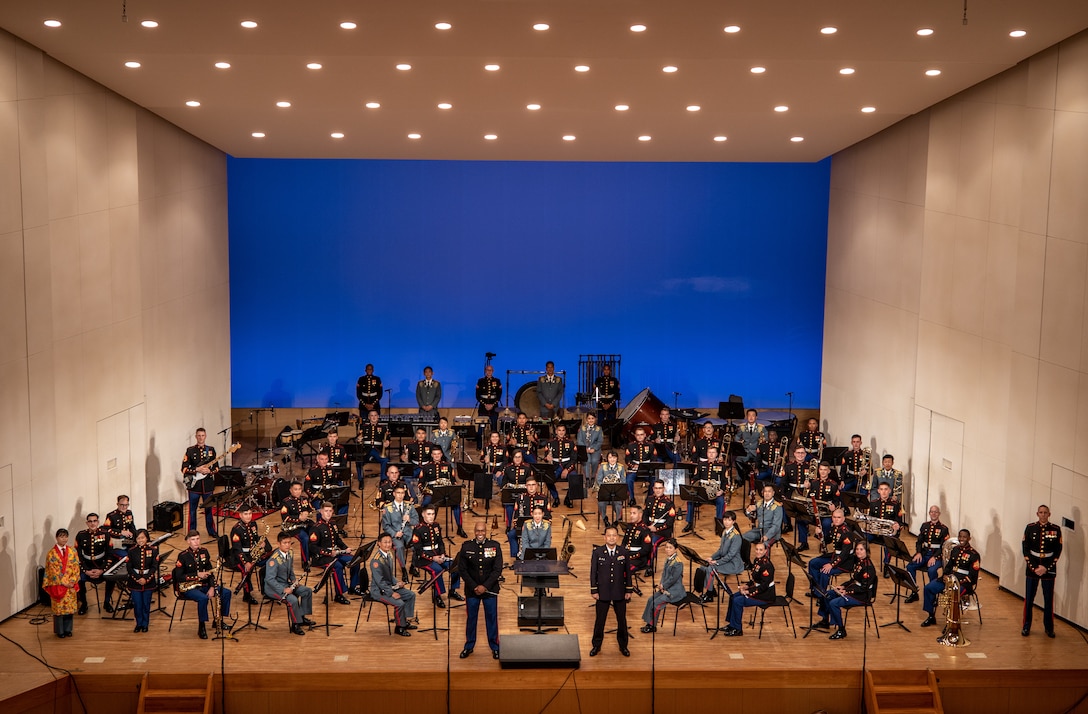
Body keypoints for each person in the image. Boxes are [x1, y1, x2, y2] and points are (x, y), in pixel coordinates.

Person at [173, 530, 232, 639]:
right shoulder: (182, 556)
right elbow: (179, 577)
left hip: (204, 586)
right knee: (203, 599)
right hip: (189, 587)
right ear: (188, 541)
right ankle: (202, 626)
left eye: (198, 539)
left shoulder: (204, 552)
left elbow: (210, 572)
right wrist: (197, 575)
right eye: (193, 540)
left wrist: (212, 587)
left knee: (226, 593)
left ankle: (218, 620)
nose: (196, 542)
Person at [813, 540, 877, 640]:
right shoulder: (860, 562)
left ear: (866, 551)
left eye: (861, 549)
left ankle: (841, 629)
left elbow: (863, 588)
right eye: (857, 549)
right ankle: (825, 620)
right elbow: (853, 580)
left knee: (834, 603)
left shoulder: (869, 568)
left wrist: (846, 592)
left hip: (861, 596)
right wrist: (843, 586)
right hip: (854, 590)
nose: (858, 552)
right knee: (826, 595)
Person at [459, 521, 503, 659]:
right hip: (472, 591)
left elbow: (497, 570)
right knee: (471, 619)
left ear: (486, 531)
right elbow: (462, 570)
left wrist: (485, 586)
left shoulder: (495, 546)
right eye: (477, 531)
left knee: (491, 618)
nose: (480, 534)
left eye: (482, 531)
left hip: (490, 591)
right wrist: (474, 586)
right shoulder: (466, 547)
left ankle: (495, 647)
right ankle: (469, 645)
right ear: (474, 531)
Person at [921, 529, 980, 628]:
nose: (961, 539)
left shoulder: (974, 555)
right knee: (928, 588)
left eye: (964, 537)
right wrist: (945, 575)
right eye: (960, 536)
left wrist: (956, 582)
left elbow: (972, 577)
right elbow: (949, 566)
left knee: (952, 596)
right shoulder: (955, 549)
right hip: (950, 579)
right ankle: (931, 616)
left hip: (963, 583)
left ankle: (950, 623)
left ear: (969, 538)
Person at [590, 525, 632, 656]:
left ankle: (623, 645)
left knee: (622, 620)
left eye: (614, 535)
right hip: (603, 592)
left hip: (619, 591)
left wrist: (629, 590)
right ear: (604, 537)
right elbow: (593, 573)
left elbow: (628, 573)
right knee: (600, 621)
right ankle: (596, 646)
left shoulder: (624, 552)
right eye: (609, 535)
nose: (612, 538)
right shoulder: (597, 552)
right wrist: (594, 590)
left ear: (618, 537)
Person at [1022, 504, 1062, 637]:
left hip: (1048, 568)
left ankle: (1049, 628)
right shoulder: (1030, 527)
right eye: (1041, 512)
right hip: (1032, 567)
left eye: (1045, 512)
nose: (1043, 515)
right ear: (1037, 514)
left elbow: (1058, 551)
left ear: (1049, 514)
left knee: (1048, 600)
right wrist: (1034, 567)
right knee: (1029, 599)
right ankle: (1026, 626)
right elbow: (1025, 548)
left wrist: (1046, 568)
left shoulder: (1056, 529)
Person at [721, 540, 776, 636]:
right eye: (757, 549)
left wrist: (747, 591)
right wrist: (746, 585)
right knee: (733, 597)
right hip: (758, 590)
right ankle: (732, 624)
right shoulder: (757, 560)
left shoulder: (767, 566)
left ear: (765, 551)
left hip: (765, 595)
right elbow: (755, 579)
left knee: (738, 601)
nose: (758, 552)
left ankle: (737, 629)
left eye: (761, 550)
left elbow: (763, 586)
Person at [412, 505, 463, 608]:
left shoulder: (436, 526)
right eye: (429, 514)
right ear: (423, 514)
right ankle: (437, 596)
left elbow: (440, 542)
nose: (431, 517)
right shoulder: (418, 529)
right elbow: (418, 550)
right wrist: (433, 558)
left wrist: (443, 554)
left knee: (456, 566)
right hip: (424, 559)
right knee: (437, 571)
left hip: (438, 554)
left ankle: (452, 591)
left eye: (433, 514)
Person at [265, 531, 315, 636]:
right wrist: (283, 590)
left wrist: (293, 581)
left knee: (307, 591)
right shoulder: (273, 560)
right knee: (292, 599)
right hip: (273, 588)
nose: (287, 545)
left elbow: (290, 570)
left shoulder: (290, 553)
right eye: (285, 543)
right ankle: (295, 624)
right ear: (278, 544)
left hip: (286, 583)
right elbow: (269, 580)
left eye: (289, 542)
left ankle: (301, 617)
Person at [370, 533, 417, 637]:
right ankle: (399, 627)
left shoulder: (389, 554)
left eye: (390, 542)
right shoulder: (376, 561)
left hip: (389, 586)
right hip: (379, 591)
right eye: (385, 542)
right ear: (379, 543)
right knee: (399, 603)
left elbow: (390, 575)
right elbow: (380, 582)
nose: (388, 544)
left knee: (410, 595)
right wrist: (392, 593)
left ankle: (404, 620)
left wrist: (397, 583)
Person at [309, 503, 356, 605]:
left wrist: (345, 548)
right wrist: (329, 553)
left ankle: (353, 587)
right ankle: (339, 595)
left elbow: (337, 540)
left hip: (335, 553)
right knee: (337, 566)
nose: (328, 513)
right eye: (326, 511)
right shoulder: (316, 528)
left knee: (354, 560)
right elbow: (313, 547)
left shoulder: (331, 524)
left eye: (330, 511)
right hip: (321, 557)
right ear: (321, 511)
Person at [904, 505, 950, 602]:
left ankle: (933, 594)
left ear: (939, 514)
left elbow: (943, 546)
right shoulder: (925, 525)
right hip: (924, 554)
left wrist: (935, 557)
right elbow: (919, 542)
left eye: (936, 512)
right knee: (910, 567)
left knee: (932, 570)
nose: (933, 513)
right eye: (931, 512)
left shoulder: (943, 529)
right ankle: (914, 592)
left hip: (937, 555)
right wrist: (918, 553)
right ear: (929, 513)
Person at [807, 509, 856, 596]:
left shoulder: (847, 533)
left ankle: (821, 595)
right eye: (834, 517)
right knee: (813, 563)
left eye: (839, 517)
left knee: (824, 572)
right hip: (835, 556)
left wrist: (831, 564)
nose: (836, 519)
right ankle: (815, 590)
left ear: (844, 519)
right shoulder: (835, 528)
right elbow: (826, 540)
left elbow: (844, 554)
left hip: (844, 562)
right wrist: (819, 534)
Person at [697, 511, 744, 602]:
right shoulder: (725, 531)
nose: (726, 522)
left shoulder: (736, 536)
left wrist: (717, 562)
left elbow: (731, 555)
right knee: (704, 565)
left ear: (733, 522)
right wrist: (712, 557)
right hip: (725, 560)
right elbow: (721, 550)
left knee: (711, 569)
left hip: (733, 564)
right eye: (725, 519)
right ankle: (712, 589)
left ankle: (709, 595)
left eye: (729, 520)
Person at [75, 512, 117, 614]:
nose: (92, 523)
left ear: (98, 522)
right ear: (87, 523)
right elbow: (77, 555)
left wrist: (102, 569)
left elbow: (110, 553)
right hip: (87, 566)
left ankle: (107, 602)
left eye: (94, 521)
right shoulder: (80, 535)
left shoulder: (105, 534)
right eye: (90, 521)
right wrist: (86, 570)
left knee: (111, 578)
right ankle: (84, 604)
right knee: (78, 579)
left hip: (101, 565)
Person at [640, 538, 684, 633]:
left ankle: (652, 625)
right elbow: (664, 574)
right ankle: (648, 622)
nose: (667, 549)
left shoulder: (678, 563)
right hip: (665, 588)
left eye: (670, 548)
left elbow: (673, 579)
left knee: (656, 603)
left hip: (674, 591)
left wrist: (664, 585)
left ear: (675, 549)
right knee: (650, 600)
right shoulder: (668, 559)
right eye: (666, 547)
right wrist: (661, 584)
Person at [181, 427, 219, 537]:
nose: (201, 438)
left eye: (203, 435)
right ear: (196, 437)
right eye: (199, 435)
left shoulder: (211, 450)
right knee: (192, 511)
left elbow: (216, 468)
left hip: (207, 485)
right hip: (194, 486)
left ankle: (211, 531)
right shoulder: (190, 450)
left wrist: (210, 471)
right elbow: (184, 468)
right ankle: (192, 533)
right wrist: (196, 470)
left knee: (209, 509)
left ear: (205, 436)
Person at [43, 528, 80, 638]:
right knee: (59, 609)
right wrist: (64, 583)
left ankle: (68, 629)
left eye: (65, 536)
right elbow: (52, 571)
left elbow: (76, 567)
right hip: (59, 585)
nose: (64, 539)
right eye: (61, 536)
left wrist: (72, 581)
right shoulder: (51, 554)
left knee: (69, 609)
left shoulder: (73, 551)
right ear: (57, 538)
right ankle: (60, 631)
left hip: (71, 584)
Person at [798, 461, 841, 552]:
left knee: (826, 524)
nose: (823, 472)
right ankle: (804, 543)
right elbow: (809, 498)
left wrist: (834, 506)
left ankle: (823, 543)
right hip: (814, 511)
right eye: (821, 469)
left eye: (825, 470)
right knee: (801, 519)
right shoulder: (814, 483)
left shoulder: (833, 484)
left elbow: (837, 501)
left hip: (826, 513)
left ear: (829, 471)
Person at [684, 445, 727, 531]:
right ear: (707, 454)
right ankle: (689, 523)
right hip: (702, 493)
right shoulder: (701, 465)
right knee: (690, 500)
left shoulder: (722, 467)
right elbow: (696, 478)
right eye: (709, 452)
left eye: (713, 453)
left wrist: (721, 490)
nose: (711, 455)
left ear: (717, 454)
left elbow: (724, 480)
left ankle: (719, 524)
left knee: (721, 501)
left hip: (715, 493)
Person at [229, 504, 266, 604]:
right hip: (239, 557)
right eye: (246, 514)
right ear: (240, 515)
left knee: (268, 562)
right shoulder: (236, 529)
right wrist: (246, 562)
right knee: (246, 571)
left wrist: (260, 543)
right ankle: (247, 595)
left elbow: (254, 537)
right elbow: (237, 549)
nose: (249, 516)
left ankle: (265, 589)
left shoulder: (253, 524)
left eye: (250, 513)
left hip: (252, 553)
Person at [381, 485, 418, 574]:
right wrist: (394, 534)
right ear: (394, 494)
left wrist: (409, 519)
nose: (400, 495)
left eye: (402, 493)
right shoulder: (388, 508)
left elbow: (416, 521)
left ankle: (413, 566)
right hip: (395, 534)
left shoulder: (409, 506)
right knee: (399, 547)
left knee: (418, 545)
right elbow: (385, 526)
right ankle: (403, 569)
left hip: (408, 533)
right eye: (398, 493)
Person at [126, 529, 157, 633]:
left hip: (149, 581)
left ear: (147, 538)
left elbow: (154, 567)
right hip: (135, 582)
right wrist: (138, 578)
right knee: (137, 604)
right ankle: (138, 624)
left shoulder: (153, 550)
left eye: (142, 537)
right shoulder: (131, 551)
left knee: (146, 604)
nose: (140, 540)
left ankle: (145, 624)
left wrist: (146, 578)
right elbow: (129, 568)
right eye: (138, 538)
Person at [743, 484, 783, 560]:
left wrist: (767, 536)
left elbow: (776, 526)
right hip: (760, 530)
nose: (767, 494)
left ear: (773, 493)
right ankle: (746, 562)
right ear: (762, 493)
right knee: (744, 537)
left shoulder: (777, 507)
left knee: (764, 545)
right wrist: (748, 511)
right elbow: (752, 517)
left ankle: (764, 564)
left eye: (769, 492)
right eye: (765, 492)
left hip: (772, 533)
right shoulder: (759, 503)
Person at [643, 480, 676, 574]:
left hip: (663, 532)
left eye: (660, 488)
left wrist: (656, 528)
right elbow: (645, 515)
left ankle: (650, 566)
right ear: (653, 489)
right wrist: (646, 526)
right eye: (656, 488)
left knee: (652, 542)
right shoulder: (649, 499)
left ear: (664, 489)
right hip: (649, 528)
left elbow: (670, 522)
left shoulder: (669, 503)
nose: (658, 490)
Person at [279, 481, 314, 570]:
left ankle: (314, 556)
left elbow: (311, 510)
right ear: (291, 490)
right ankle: (305, 561)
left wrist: (308, 513)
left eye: (299, 489)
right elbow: (285, 517)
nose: (298, 491)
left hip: (305, 524)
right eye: (295, 489)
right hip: (293, 527)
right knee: (305, 538)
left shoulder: (305, 499)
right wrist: (298, 518)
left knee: (316, 532)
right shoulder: (286, 502)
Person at [621, 505, 653, 587]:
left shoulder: (645, 530)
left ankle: (627, 591)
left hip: (638, 559)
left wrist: (629, 556)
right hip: (627, 555)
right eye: (630, 513)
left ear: (640, 515)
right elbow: (624, 542)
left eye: (634, 513)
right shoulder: (629, 527)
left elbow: (645, 550)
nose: (631, 515)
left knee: (623, 571)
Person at [355, 409, 390, 484]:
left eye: (375, 415)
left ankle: (383, 479)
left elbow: (387, 439)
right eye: (372, 415)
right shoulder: (364, 427)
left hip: (378, 450)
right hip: (366, 449)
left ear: (378, 417)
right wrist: (358, 439)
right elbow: (357, 438)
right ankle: (360, 480)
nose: (374, 417)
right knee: (358, 460)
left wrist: (387, 442)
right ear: (369, 417)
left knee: (385, 460)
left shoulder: (383, 428)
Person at [624, 427, 657, 505]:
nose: (640, 436)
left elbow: (654, 458)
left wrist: (649, 466)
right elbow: (627, 459)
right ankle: (632, 499)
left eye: (641, 435)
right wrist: (633, 465)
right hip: (634, 469)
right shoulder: (630, 445)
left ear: (645, 435)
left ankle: (649, 498)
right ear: (635, 436)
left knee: (654, 479)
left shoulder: (650, 445)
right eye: (638, 435)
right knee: (628, 480)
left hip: (647, 469)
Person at [500, 450, 532, 528]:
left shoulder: (527, 468)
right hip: (511, 491)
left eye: (519, 457)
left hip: (523, 492)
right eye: (516, 457)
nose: (517, 459)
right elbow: (504, 481)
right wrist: (503, 490)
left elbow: (529, 480)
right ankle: (508, 526)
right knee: (509, 507)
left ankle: (520, 525)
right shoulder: (508, 468)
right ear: (513, 458)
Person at [546, 423, 575, 507]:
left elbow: (574, 458)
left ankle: (568, 498)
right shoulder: (550, 442)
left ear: (565, 431)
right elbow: (545, 456)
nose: (561, 432)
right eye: (559, 430)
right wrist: (547, 458)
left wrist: (567, 469)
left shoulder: (570, 442)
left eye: (563, 430)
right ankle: (556, 498)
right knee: (548, 479)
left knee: (575, 478)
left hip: (568, 464)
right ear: (556, 431)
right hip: (555, 465)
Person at [734, 409, 766, 481]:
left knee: (759, 461)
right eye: (749, 415)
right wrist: (739, 443)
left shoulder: (761, 427)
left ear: (756, 417)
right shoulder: (742, 427)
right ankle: (740, 480)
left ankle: (755, 481)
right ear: (746, 417)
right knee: (738, 460)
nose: (751, 417)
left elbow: (765, 439)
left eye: (753, 415)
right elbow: (736, 437)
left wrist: (760, 447)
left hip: (756, 451)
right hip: (745, 451)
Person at [596, 450, 626, 527]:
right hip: (605, 491)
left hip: (616, 492)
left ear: (617, 458)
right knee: (601, 503)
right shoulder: (603, 467)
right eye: (610, 457)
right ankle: (604, 518)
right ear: (607, 459)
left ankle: (617, 519)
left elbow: (623, 481)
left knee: (618, 503)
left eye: (614, 457)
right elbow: (598, 480)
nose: (612, 459)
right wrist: (605, 487)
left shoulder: (621, 467)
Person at [475, 365, 502, 449]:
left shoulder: (497, 381)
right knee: (480, 430)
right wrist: (485, 404)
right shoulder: (481, 381)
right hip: (483, 408)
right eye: (487, 370)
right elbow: (477, 396)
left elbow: (499, 395)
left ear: (493, 371)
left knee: (494, 428)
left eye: (490, 370)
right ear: (485, 371)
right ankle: (479, 446)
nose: (489, 372)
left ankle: (494, 446)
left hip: (494, 408)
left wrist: (492, 405)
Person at [578, 413, 604, 489]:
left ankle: (592, 477)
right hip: (584, 450)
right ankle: (587, 479)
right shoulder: (582, 428)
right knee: (587, 461)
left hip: (595, 450)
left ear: (595, 419)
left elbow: (600, 441)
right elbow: (579, 440)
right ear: (586, 419)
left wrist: (594, 449)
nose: (591, 420)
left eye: (592, 418)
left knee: (595, 461)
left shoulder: (599, 429)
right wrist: (585, 449)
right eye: (589, 418)